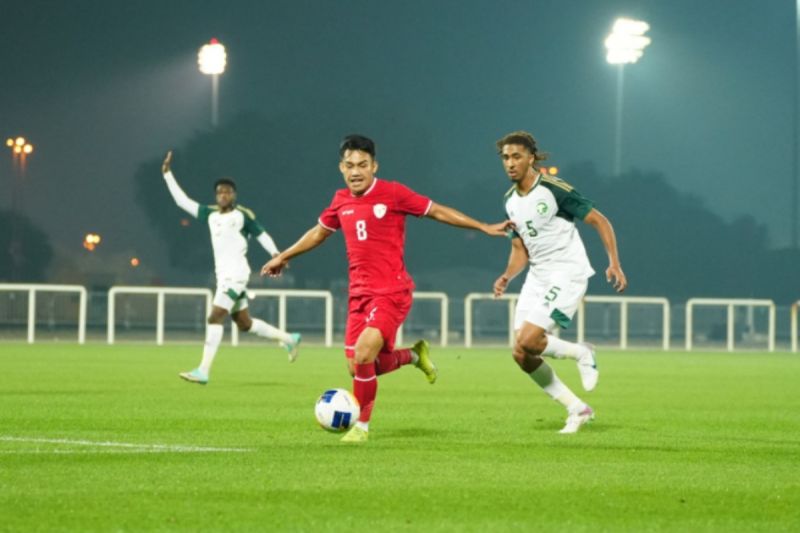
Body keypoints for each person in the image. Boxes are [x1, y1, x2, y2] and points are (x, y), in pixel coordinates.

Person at [262, 134, 509, 443]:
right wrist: (283, 257)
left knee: (365, 353)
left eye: (362, 165)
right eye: (350, 165)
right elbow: (318, 233)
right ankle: (415, 356)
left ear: (374, 166)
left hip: (392, 291)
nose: (356, 172)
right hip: (358, 295)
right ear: (341, 167)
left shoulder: (392, 193)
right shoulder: (340, 200)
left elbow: (437, 210)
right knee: (358, 367)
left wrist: (483, 226)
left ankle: (361, 427)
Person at [492, 131, 627, 434]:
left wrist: (614, 263)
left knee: (529, 340)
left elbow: (600, 220)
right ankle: (577, 409)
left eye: (516, 157)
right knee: (521, 353)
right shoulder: (509, 201)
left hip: (567, 272)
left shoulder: (553, 189)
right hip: (538, 276)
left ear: (530, 158)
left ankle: (583, 353)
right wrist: (506, 276)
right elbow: (519, 249)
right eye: (505, 158)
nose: (510, 163)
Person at [161, 150, 301, 385]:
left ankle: (203, 370)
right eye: (219, 192)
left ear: (234, 195)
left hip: (236, 276)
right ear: (216, 196)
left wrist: (277, 254)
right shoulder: (210, 215)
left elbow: (261, 234)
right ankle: (289, 338)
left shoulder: (242, 215)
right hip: (223, 277)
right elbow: (181, 202)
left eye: (227, 191)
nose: (223, 195)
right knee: (244, 323)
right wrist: (167, 175)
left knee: (215, 316)